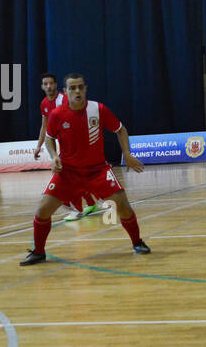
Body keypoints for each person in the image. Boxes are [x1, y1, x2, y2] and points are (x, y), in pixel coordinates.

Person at [20, 73, 150, 265]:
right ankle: (39, 252)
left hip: (97, 171)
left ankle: (137, 242)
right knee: (42, 211)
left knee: (123, 206)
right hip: (68, 173)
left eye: (80, 87)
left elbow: (120, 130)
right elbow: (49, 138)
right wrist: (54, 156)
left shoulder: (98, 109)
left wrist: (127, 154)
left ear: (86, 89)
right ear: (65, 92)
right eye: (72, 88)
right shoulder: (56, 115)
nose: (77, 91)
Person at [34, 72, 101, 221]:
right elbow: (44, 126)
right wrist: (39, 145)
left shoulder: (64, 99)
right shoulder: (44, 103)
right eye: (46, 84)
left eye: (51, 83)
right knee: (72, 177)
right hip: (59, 144)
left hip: (73, 144)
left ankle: (77, 209)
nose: (49, 86)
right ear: (42, 87)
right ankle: (91, 203)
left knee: (68, 176)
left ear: (57, 86)